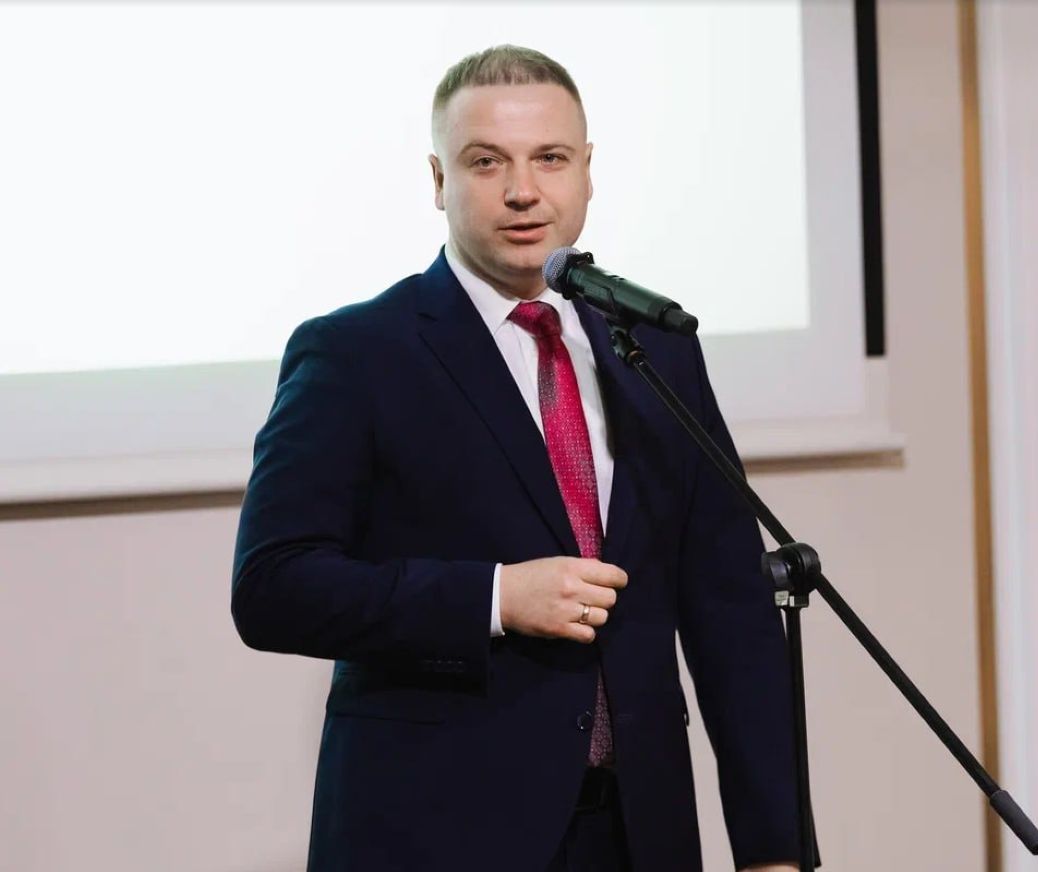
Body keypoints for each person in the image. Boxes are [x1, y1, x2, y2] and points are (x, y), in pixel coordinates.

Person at [232, 45, 802, 872]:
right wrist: (495, 598)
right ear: (439, 180)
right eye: (486, 162)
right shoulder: (355, 353)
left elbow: (731, 610)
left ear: (588, 172)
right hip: (437, 834)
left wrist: (773, 849)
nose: (524, 190)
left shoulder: (656, 349)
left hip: (638, 835)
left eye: (550, 158)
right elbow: (273, 588)